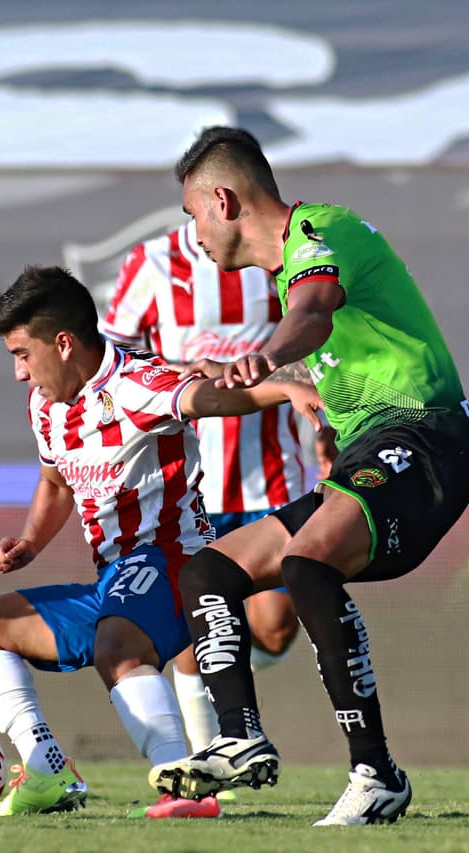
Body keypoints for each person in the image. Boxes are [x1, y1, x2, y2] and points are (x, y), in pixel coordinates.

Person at [146, 126, 469, 826]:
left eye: (192, 216)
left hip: (428, 441)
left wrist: (268, 357)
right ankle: (238, 736)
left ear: (224, 200)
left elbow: (314, 315)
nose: (194, 235)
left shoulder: (318, 231)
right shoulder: (289, 268)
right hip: (372, 451)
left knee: (307, 562)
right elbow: (321, 344)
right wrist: (263, 378)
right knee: (209, 572)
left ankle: (375, 772)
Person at [0, 265, 323, 819]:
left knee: (119, 646)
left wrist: (284, 389)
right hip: (116, 581)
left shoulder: (134, 382)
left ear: (64, 343)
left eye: (23, 354)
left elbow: (207, 399)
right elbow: (55, 483)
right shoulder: (46, 407)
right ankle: (47, 771)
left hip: (176, 563)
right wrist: (30, 542)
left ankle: (188, 791)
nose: (20, 374)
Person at [101, 220, 338, 756]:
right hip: (189, 484)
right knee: (193, 621)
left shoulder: (274, 262)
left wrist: (321, 421)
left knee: (275, 627)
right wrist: (178, 374)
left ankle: (220, 663)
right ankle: (214, 754)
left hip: (274, 476)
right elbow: (112, 360)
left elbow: (315, 335)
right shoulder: (153, 263)